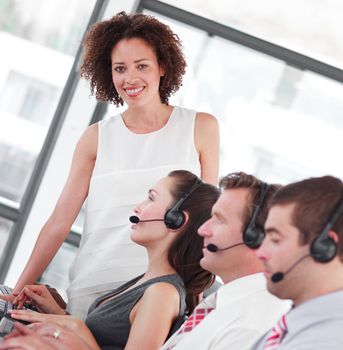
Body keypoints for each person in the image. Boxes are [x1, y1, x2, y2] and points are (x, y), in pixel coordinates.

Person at [12, 11, 219, 319]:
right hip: (93, 292)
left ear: (163, 67)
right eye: (119, 68)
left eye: (142, 66)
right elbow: (59, 223)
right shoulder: (96, 138)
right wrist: (19, 288)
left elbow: (206, 223)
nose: (130, 78)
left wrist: (197, 301)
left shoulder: (201, 127)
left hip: (160, 294)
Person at [5, 170, 220, 350]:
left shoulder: (162, 294)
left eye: (151, 197)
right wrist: (57, 312)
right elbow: (102, 341)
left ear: (177, 219)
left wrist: (74, 326)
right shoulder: (149, 281)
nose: (138, 207)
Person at [161, 172, 290, 350]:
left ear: (257, 238)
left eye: (220, 220)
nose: (202, 230)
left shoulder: (249, 327)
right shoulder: (223, 301)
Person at [251, 175, 343, 349]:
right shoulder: (296, 325)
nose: (260, 253)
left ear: (323, 247)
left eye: (276, 239)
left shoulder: (326, 341)